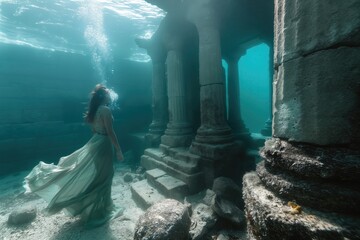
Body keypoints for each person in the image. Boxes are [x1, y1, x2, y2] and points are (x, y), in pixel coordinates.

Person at [24, 84, 124, 228]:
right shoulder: (106, 110)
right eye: (108, 93)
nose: (110, 95)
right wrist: (119, 150)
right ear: (104, 96)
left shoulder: (95, 111)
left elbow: (95, 129)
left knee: (99, 176)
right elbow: (111, 132)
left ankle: (94, 207)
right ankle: (99, 208)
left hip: (95, 141)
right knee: (105, 177)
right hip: (103, 144)